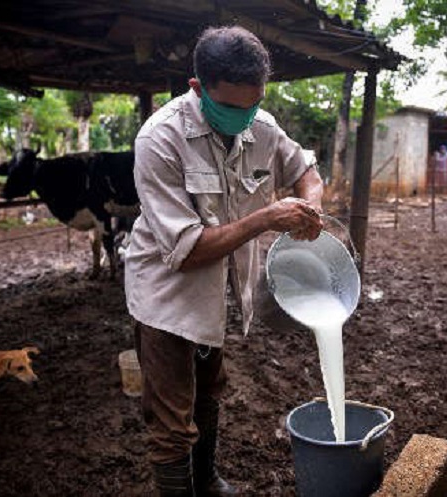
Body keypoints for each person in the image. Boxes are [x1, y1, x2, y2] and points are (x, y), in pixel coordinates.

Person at [125, 25, 324, 497]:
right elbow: (186, 251)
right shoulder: (160, 139)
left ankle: (207, 478)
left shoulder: (262, 126)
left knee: (210, 391)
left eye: (251, 105)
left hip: (221, 292)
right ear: (198, 88)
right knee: (172, 417)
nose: (243, 117)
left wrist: (311, 207)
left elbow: (306, 171)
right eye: (230, 107)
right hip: (167, 295)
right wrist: (266, 218)